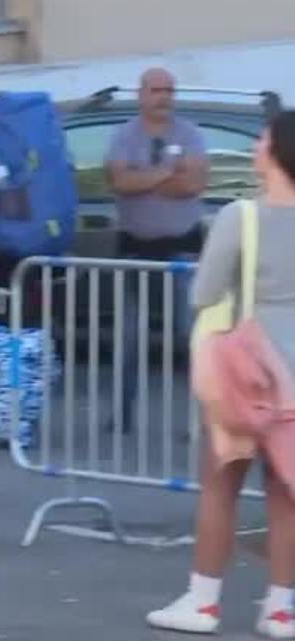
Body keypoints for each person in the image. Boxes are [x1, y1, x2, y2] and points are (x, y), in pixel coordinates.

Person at [146, 111, 295, 639]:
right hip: (294, 380)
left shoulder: (241, 218)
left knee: (220, 484)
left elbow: (205, 292)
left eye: (261, 138)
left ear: (275, 151)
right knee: (285, 495)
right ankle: (280, 609)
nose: (255, 145)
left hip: (244, 373)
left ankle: (203, 602)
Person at [109, 67, 207, 415]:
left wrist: (144, 179)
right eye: (156, 90)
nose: (164, 97)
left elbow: (192, 185)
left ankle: (200, 419)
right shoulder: (124, 135)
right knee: (129, 337)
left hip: (183, 248)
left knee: (190, 336)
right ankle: (123, 414)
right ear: (141, 95)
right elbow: (120, 182)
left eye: (169, 90)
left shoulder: (190, 134)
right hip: (135, 248)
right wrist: (167, 171)